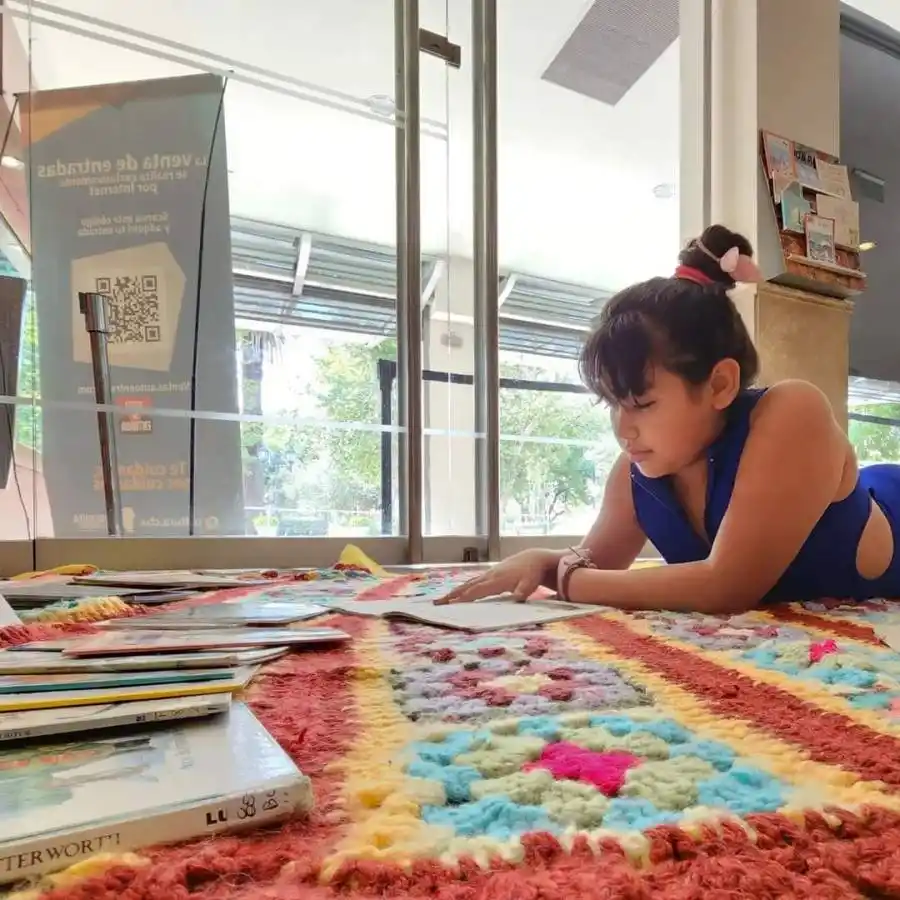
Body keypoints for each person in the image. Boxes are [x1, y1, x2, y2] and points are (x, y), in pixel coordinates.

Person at [437, 224, 900, 613]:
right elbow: (592, 562)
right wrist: (542, 559)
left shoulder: (792, 413)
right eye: (612, 404)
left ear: (720, 384)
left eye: (642, 403)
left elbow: (727, 588)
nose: (623, 429)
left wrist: (567, 581)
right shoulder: (637, 470)